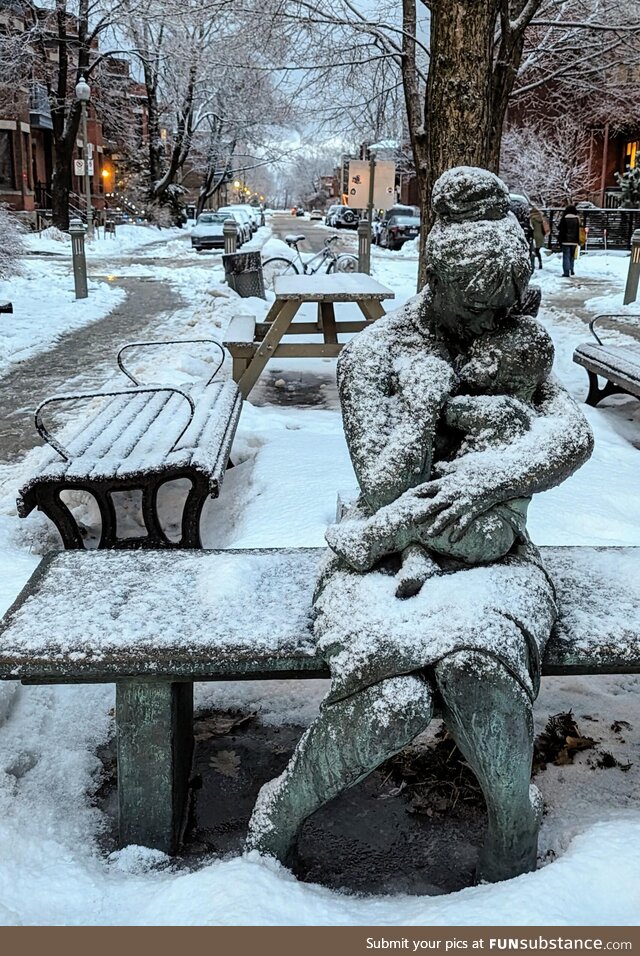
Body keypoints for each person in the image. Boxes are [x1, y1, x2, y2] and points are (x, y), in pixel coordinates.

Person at [245, 167, 593, 884]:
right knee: (392, 704)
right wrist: (420, 407)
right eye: (471, 308)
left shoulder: (516, 343)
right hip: (381, 559)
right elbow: (380, 489)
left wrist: (491, 476)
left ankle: (511, 816)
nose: (483, 326)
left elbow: (572, 436)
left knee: (477, 668)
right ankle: (282, 806)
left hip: (494, 560)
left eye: (498, 307)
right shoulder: (376, 353)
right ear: (435, 279)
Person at [558, 204, 581, 277]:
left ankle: (566, 272)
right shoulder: (577, 219)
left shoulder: (564, 218)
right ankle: (572, 270)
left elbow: (560, 229)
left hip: (565, 240)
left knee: (566, 256)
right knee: (572, 256)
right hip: (574, 241)